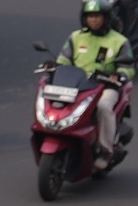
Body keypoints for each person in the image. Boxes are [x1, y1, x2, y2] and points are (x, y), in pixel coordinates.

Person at [55, 0, 134, 167]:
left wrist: (118, 76)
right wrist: (54, 67)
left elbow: (128, 67)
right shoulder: (76, 37)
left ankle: (106, 151)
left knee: (104, 107)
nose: (94, 20)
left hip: (105, 86)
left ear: (106, 18)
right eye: (90, 16)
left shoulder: (119, 41)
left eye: (98, 16)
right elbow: (63, 60)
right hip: (78, 84)